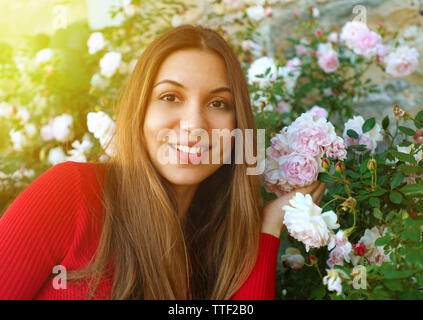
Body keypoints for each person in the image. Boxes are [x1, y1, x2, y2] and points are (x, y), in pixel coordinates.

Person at [0, 24, 326, 299]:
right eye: (170, 97)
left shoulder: (209, 242)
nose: (194, 125)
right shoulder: (72, 193)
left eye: (218, 103)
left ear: (238, 128)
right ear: (140, 111)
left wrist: (268, 224)